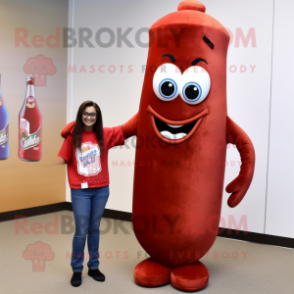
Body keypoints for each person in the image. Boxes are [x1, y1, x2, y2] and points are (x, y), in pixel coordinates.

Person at [58, 101, 137, 287]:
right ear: (81, 115)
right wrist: (68, 128)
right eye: (86, 114)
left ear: (97, 116)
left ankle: (93, 267)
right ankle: (77, 270)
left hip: (101, 189)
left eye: (92, 114)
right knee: (80, 231)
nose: (89, 117)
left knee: (94, 228)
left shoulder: (105, 134)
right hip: (80, 192)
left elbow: (128, 129)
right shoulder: (72, 136)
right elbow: (62, 159)